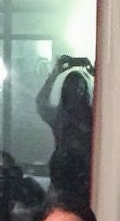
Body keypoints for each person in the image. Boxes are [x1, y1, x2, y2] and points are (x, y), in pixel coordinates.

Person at [35, 56, 93, 198]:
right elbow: (41, 101)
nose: (76, 92)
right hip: (62, 173)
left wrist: (97, 74)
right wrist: (55, 73)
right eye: (72, 87)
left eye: (79, 87)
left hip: (87, 174)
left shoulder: (93, 116)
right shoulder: (60, 117)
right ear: (66, 90)